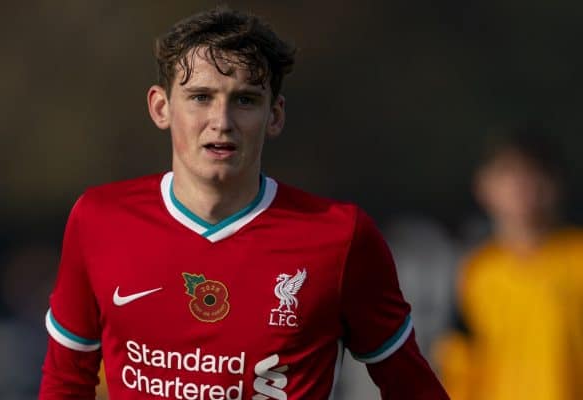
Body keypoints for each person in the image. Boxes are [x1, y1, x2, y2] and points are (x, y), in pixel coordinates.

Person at [39, 7, 448, 399]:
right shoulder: (99, 221)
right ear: (161, 107)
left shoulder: (341, 237)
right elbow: (65, 383)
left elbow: (411, 386)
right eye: (200, 97)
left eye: (245, 100)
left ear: (275, 115)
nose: (221, 121)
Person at [435, 131, 583, 400]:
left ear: (557, 184)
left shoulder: (577, 258)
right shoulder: (476, 272)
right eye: (510, 174)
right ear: (483, 186)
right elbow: (459, 364)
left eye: (534, 173)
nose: (522, 187)